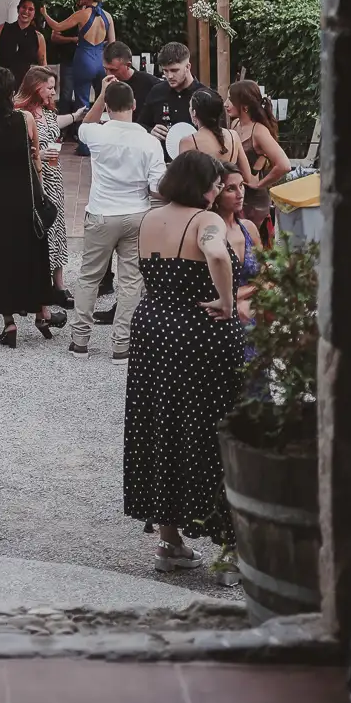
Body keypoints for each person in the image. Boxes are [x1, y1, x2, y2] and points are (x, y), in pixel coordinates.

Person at [123, 150, 244, 572]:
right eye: (216, 184)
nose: (218, 190)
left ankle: (169, 543)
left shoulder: (148, 218)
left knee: (161, 426)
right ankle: (230, 553)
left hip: (153, 327)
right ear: (202, 186)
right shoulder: (205, 221)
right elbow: (216, 254)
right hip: (199, 332)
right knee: (213, 429)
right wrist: (227, 301)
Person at [69, 75, 166, 359]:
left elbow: (85, 125)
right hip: (136, 213)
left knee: (89, 277)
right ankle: (122, 344)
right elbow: (157, 186)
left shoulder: (97, 134)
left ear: (107, 107)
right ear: (134, 105)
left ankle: (80, 340)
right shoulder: (149, 141)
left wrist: (101, 94)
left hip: (102, 212)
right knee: (131, 281)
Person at [0, 65, 55, 346]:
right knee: (31, 251)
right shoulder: (25, 119)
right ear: (11, 92)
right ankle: (41, 312)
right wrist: (40, 190)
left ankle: (9, 322)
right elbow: (35, 158)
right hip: (23, 196)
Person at [15, 65, 69, 294]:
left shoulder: (48, 113)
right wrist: (37, 154)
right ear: (36, 87)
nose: (53, 92)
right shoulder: (19, 114)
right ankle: (41, 283)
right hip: (34, 179)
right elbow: (13, 149)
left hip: (54, 176)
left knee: (58, 225)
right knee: (39, 228)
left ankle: (59, 284)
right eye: (50, 88)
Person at [227, 80, 291, 238]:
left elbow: (284, 165)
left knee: (254, 246)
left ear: (245, 106)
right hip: (237, 198)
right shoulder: (235, 124)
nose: (226, 104)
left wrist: (260, 184)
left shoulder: (259, 131)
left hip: (254, 203)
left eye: (230, 99)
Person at [47, 0, 115, 110]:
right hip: (101, 61)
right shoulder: (108, 16)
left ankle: (83, 122)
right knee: (102, 100)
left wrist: (44, 14)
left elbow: (57, 27)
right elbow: (112, 44)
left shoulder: (82, 14)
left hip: (84, 59)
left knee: (82, 102)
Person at [136, 41, 212, 150]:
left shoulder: (205, 95)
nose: (169, 76)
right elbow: (140, 125)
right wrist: (150, 131)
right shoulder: (157, 91)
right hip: (161, 157)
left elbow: (218, 133)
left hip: (195, 157)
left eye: (174, 70)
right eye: (165, 71)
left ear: (188, 67)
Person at [184, 87, 258, 185]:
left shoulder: (189, 141)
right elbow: (247, 177)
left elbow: (184, 182)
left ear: (194, 113)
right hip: (229, 193)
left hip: (205, 194)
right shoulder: (233, 136)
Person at [0, 0, 47, 86]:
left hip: (24, 85)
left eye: (30, 9)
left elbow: (43, 65)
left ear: (34, 14)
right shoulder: (2, 28)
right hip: (0, 83)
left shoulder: (38, 37)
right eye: (23, 7)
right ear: (18, 9)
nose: (26, 11)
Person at [103, 40, 157, 114]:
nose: (108, 74)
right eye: (105, 69)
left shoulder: (150, 84)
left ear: (128, 65)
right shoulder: (104, 83)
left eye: (113, 70)